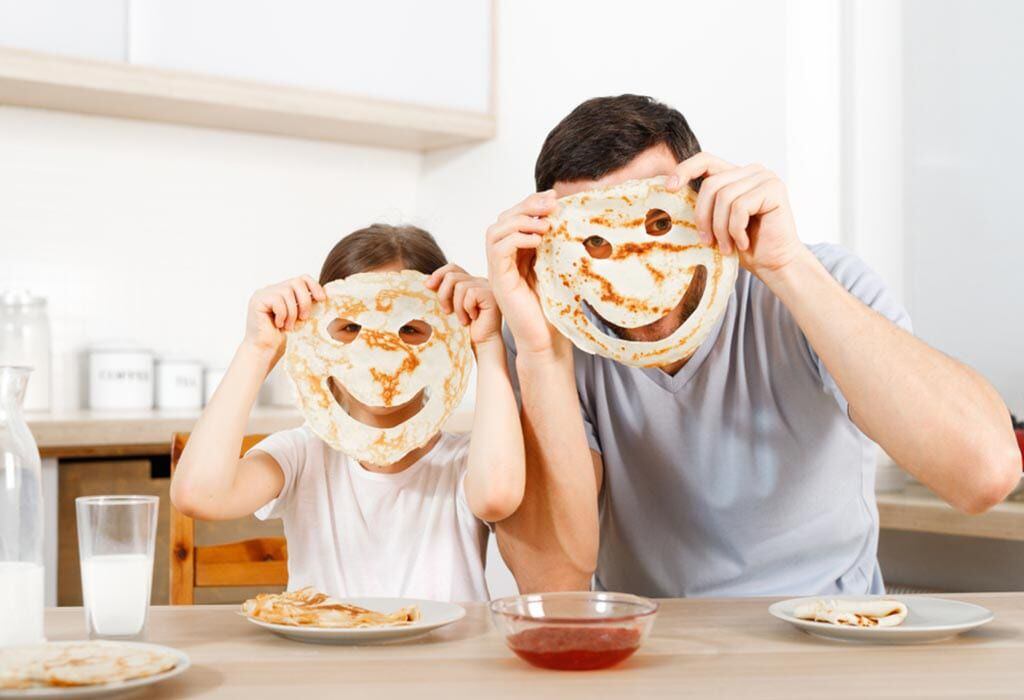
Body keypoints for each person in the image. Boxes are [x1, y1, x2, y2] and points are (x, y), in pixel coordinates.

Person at [488, 95, 1022, 597]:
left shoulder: (821, 280)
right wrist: (540, 354)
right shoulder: (549, 330)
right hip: (655, 649)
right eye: (597, 239)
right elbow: (553, 585)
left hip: (828, 637)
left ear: (699, 202)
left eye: (655, 221)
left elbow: (984, 474)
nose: (632, 265)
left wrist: (787, 267)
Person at [170, 224, 524, 601]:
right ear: (315, 338)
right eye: (351, 327)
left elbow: (497, 496)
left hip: (443, 659)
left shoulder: (464, 462)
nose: (380, 353)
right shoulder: (302, 456)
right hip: (327, 659)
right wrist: (257, 349)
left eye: (411, 329)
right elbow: (197, 494)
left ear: (447, 337)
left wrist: (487, 343)